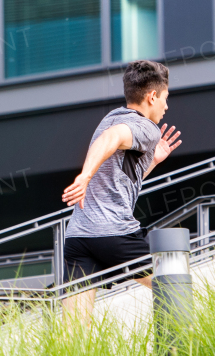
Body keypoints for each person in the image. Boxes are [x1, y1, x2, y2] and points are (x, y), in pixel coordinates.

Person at [60, 60, 182, 327]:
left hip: (79, 238)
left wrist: (151, 162)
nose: (166, 106)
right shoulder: (146, 127)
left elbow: (118, 176)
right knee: (177, 284)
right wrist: (85, 176)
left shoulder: (110, 117)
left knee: (72, 332)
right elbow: (112, 138)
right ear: (152, 96)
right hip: (114, 235)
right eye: (165, 98)